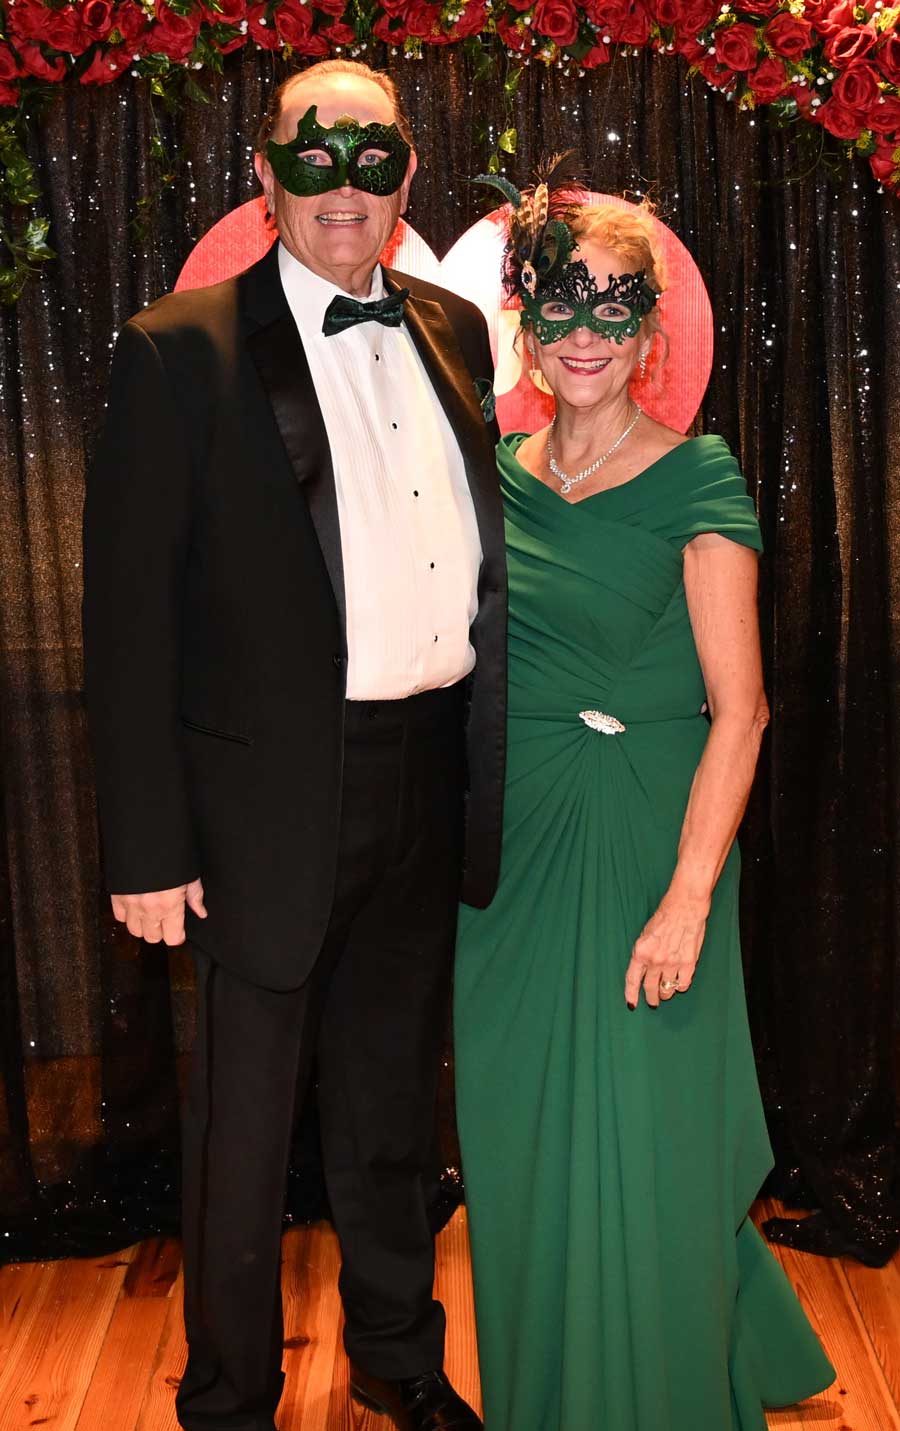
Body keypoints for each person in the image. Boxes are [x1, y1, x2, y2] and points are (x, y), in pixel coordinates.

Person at [82, 59, 507, 1431]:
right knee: (244, 1129)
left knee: (392, 1104)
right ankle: (228, 1398)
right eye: (312, 161)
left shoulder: (453, 327)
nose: (343, 191)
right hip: (258, 804)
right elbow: (129, 622)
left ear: (407, 175)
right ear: (265, 175)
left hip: (427, 768)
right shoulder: (179, 349)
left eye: (371, 161)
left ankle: (396, 1350)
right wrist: (147, 845)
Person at [453, 176, 835, 1431]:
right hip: (513, 855)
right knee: (523, 1134)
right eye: (561, 306)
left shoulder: (696, 478)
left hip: (648, 847)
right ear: (524, 322)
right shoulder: (493, 475)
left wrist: (688, 900)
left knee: (648, 1136)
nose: (586, 335)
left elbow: (744, 711)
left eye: (614, 311)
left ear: (650, 333)